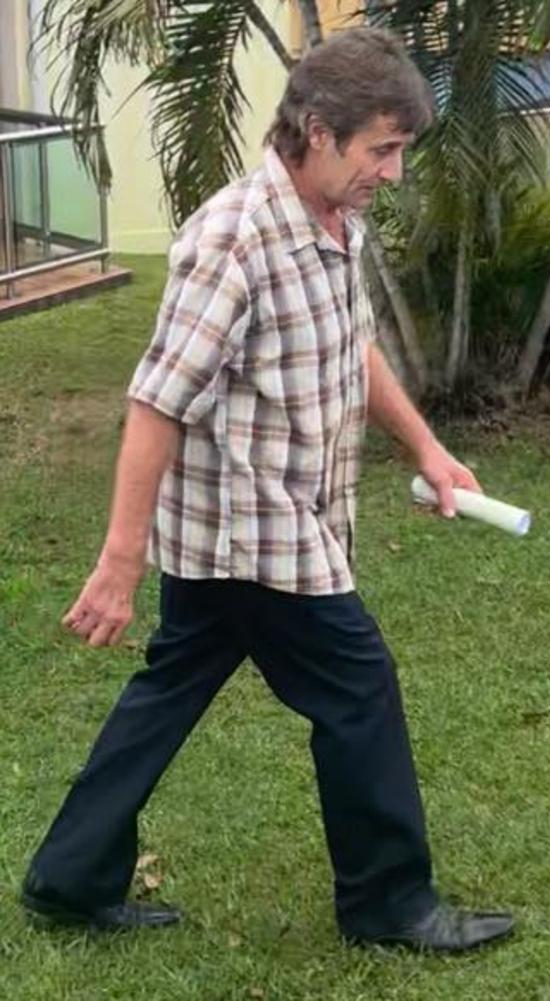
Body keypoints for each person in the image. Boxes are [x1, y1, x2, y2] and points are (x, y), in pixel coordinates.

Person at [21, 27, 514, 953]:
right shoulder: (233, 239)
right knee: (358, 688)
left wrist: (429, 448)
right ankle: (389, 904)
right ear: (318, 133)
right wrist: (120, 559)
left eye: (400, 150)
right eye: (383, 149)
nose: (394, 172)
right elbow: (156, 401)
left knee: (171, 686)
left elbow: (352, 346)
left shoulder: (335, 222)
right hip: (258, 531)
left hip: (266, 523)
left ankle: (68, 875)